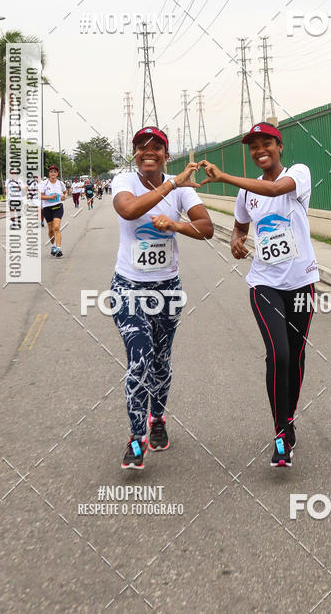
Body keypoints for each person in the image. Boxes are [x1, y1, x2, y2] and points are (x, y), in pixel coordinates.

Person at [200, 122, 318, 468]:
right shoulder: (246, 193)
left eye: (266, 143)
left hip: (302, 283)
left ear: (279, 146)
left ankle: (289, 418)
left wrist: (225, 178)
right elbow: (240, 225)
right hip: (264, 284)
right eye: (253, 147)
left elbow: (275, 189)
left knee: (296, 356)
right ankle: (281, 432)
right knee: (278, 354)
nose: (259, 150)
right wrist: (236, 240)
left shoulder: (298, 174)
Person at [111, 126, 213, 470]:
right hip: (128, 286)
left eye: (157, 147)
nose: (149, 151)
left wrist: (175, 224)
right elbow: (128, 210)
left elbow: (206, 228)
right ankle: (136, 437)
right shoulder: (125, 182)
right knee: (139, 358)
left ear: (166, 155)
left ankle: (157, 418)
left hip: (167, 289)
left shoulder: (182, 191)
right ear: (135, 155)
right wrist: (172, 185)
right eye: (142, 147)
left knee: (160, 361)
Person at [40, 165, 68, 257]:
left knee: (56, 227)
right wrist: (49, 197)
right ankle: (53, 246)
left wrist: (65, 196)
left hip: (58, 206)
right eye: (51, 172)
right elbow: (39, 196)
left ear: (57, 174)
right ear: (49, 174)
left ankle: (59, 249)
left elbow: (65, 192)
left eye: (55, 172)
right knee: (51, 230)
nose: (53, 173)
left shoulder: (60, 183)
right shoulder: (44, 183)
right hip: (47, 208)